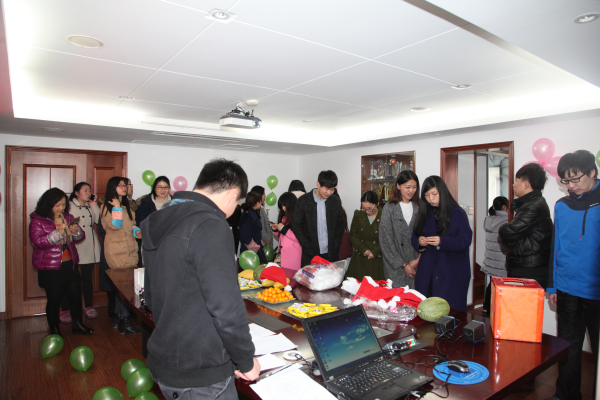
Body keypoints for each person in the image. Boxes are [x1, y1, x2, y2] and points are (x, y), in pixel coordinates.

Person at [141, 158, 260, 399]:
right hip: (200, 372)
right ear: (232, 195)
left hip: (165, 358)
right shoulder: (209, 224)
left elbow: (151, 297)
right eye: (237, 202)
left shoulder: (161, 218)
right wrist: (246, 360)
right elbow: (226, 306)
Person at [546, 150, 600, 400]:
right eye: (565, 181)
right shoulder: (562, 205)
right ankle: (565, 395)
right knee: (569, 348)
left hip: (596, 292)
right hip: (567, 289)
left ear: (592, 172)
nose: (571, 186)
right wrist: (553, 287)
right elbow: (555, 246)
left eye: (575, 179)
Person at [29, 188, 93, 336]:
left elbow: (80, 238)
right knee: (54, 299)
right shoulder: (37, 220)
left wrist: (76, 231)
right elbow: (37, 242)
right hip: (50, 267)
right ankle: (54, 329)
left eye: (63, 204)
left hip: (69, 264)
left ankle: (78, 325)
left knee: (76, 296)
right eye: (57, 205)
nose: (61, 208)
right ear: (48, 204)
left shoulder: (68, 217)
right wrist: (58, 234)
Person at [411, 176, 472, 312]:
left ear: (442, 192)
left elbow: (465, 241)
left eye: (434, 194)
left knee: (448, 312)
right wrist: (420, 241)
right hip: (428, 272)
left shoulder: (458, 213)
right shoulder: (424, 212)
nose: (430, 199)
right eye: (427, 195)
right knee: (426, 310)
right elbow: (414, 237)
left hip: (451, 272)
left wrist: (442, 241)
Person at [498, 163, 552, 288]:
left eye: (516, 181)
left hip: (530, 270)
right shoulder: (532, 203)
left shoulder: (533, 206)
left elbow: (509, 233)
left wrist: (503, 227)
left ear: (526, 184)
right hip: (529, 266)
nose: (513, 185)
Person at [100, 177, 142, 335]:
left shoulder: (127, 205)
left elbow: (131, 225)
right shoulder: (107, 206)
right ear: (113, 187)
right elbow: (114, 226)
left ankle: (120, 318)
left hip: (130, 249)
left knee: (124, 286)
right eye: (120, 185)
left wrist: (136, 231)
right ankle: (125, 320)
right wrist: (116, 208)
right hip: (117, 251)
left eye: (125, 185)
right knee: (124, 287)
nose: (124, 187)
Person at [62, 182, 101, 320]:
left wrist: (94, 204)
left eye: (89, 190)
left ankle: (89, 305)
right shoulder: (68, 206)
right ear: (76, 193)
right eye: (85, 190)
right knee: (69, 279)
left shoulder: (90, 206)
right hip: (74, 245)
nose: (88, 193)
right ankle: (65, 308)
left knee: (87, 278)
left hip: (89, 244)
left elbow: (98, 220)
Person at [292, 170, 346, 267]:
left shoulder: (335, 201)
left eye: (332, 189)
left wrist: (336, 243)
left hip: (331, 253)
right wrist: (307, 245)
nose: (329, 192)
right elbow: (296, 225)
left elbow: (340, 223)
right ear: (318, 184)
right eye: (326, 189)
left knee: (330, 277)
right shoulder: (304, 201)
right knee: (310, 277)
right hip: (310, 254)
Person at [380, 171, 421, 289]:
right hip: (395, 267)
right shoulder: (389, 208)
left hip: (416, 264)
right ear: (398, 186)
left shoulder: (420, 207)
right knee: (396, 297)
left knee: (416, 297)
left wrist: (418, 260)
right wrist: (403, 264)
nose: (411, 191)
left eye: (414, 187)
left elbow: (426, 235)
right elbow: (386, 241)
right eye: (407, 187)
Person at [345, 191, 384, 281]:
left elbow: (387, 239)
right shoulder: (358, 215)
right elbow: (353, 236)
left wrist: (375, 251)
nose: (367, 211)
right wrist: (363, 249)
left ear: (377, 204)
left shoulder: (384, 216)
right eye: (364, 208)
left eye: (370, 208)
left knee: (375, 286)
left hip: (377, 258)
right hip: (360, 257)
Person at [481, 196, 509, 316]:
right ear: (504, 207)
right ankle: (498, 312)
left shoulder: (489, 220)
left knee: (492, 284)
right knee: (503, 286)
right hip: (502, 260)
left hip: (490, 259)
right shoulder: (508, 220)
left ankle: (486, 308)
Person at [271, 192, 302, 283]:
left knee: (291, 281)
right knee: (281, 281)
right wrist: (276, 230)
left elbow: (299, 238)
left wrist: (285, 230)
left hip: (292, 256)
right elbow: (283, 237)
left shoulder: (298, 218)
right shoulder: (284, 218)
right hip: (281, 254)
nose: (283, 208)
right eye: (282, 206)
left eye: (284, 206)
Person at [239, 191, 267, 264]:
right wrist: (254, 246)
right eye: (260, 202)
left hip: (256, 246)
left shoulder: (252, 212)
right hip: (251, 250)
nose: (261, 204)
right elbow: (245, 234)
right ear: (256, 203)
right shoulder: (247, 215)